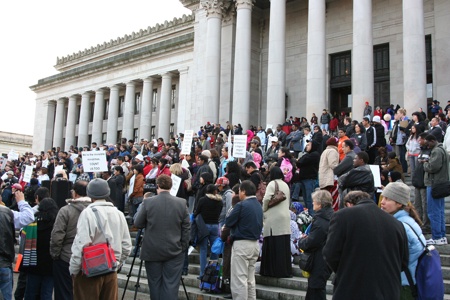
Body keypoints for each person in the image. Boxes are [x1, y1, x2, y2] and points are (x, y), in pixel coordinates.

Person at [323, 191, 409, 299]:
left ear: (349, 204)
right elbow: (404, 261)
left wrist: (347, 269)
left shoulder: (342, 216)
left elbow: (330, 253)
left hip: (352, 289)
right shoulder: (397, 224)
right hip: (388, 292)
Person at [69, 178, 132, 299]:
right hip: (110, 269)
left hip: (89, 270)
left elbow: (81, 243)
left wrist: (74, 269)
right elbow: (126, 246)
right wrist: (116, 263)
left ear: (90, 194)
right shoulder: (118, 213)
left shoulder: (87, 213)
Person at [134, 175, 190, 300]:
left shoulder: (148, 202)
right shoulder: (181, 203)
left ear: (157, 186)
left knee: (154, 284)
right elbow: (186, 228)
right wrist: (183, 246)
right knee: (171, 285)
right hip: (174, 250)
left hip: (152, 250)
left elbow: (137, 223)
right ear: (171, 186)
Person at [380, 182, 426, 299]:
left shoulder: (400, 225)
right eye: (383, 197)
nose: (382, 202)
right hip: (404, 281)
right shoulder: (405, 220)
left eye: (387, 199)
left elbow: (416, 249)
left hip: (402, 284)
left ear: (399, 203)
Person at [50, 181, 91, 300]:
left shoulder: (66, 210)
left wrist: (55, 254)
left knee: (64, 292)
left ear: (75, 193)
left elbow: (57, 235)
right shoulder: (95, 210)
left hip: (66, 257)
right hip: (90, 257)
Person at [225, 180, 263, 300]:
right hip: (254, 245)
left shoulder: (241, 205)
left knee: (239, 279)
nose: (239, 193)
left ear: (244, 191)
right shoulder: (258, 205)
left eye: (240, 191)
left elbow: (228, 221)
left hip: (242, 244)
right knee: (250, 280)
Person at [298, 190, 334, 300]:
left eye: (314, 201)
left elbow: (312, 242)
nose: (312, 203)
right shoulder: (330, 217)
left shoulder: (321, 221)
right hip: (324, 259)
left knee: (316, 290)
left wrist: (301, 241)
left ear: (320, 204)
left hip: (319, 260)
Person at [22, 198, 59, 299]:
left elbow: (23, 238)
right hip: (50, 263)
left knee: (31, 293)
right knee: (46, 293)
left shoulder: (33, 222)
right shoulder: (57, 224)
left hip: (33, 262)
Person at [260, 167, 292, 278]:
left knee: (272, 243)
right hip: (285, 216)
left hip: (274, 217)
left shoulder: (272, 184)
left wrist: (263, 209)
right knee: (282, 244)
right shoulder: (285, 184)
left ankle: (271, 270)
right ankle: (284, 270)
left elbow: (266, 199)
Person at [421, 134, 449, 245]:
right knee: (439, 211)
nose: (426, 145)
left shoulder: (437, 151)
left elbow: (433, 167)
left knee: (433, 212)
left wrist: (425, 164)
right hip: (440, 184)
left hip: (434, 184)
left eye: (427, 142)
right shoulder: (442, 150)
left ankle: (437, 236)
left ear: (432, 141)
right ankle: (441, 236)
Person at [194, 184, 223, 278]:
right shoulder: (220, 201)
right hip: (215, 225)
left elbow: (196, 212)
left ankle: (202, 273)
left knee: (203, 249)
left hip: (204, 226)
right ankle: (212, 273)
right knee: (215, 249)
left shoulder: (203, 200)